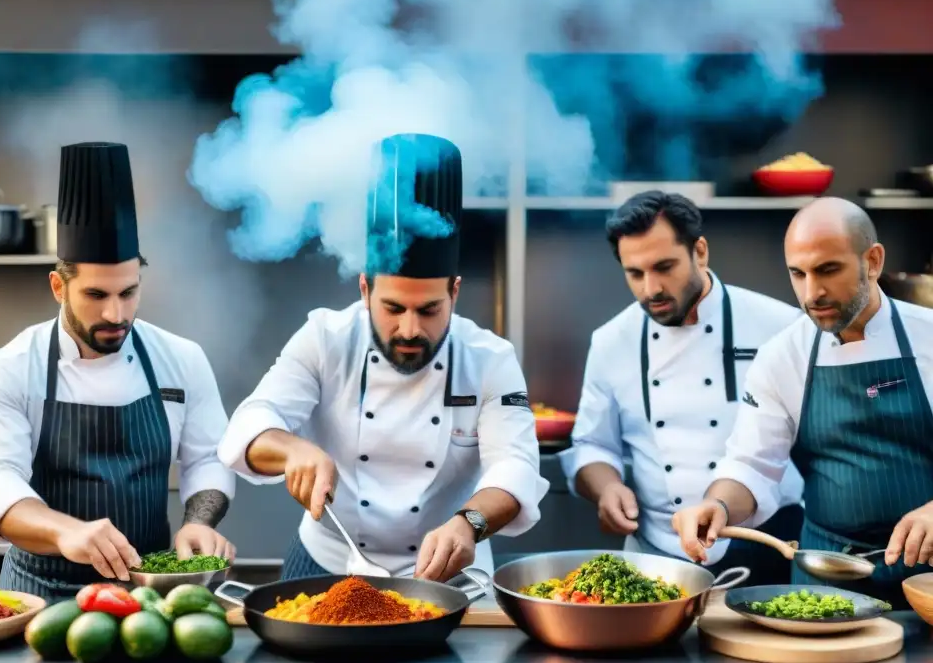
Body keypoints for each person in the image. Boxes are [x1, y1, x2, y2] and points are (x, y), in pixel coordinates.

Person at [217, 133, 548, 582]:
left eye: (429, 310)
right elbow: (250, 422)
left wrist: (467, 524)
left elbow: (516, 465)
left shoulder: (489, 359)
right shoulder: (325, 338)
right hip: (326, 563)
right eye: (393, 308)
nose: (410, 329)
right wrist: (293, 451)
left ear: (454, 291)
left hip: (449, 573)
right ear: (365, 289)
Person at [0, 142, 237, 599]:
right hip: (39, 593)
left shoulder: (181, 358)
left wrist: (198, 522)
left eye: (128, 293)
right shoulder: (10, 367)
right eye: (96, 296)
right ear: (58, 286)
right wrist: (64, 531)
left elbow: (209, 457)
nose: (116, 314)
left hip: (147, 593)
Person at [672, 196, 933, 609]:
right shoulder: (783, 356)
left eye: (828, 270)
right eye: (798, 274)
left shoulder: (928, 337)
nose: (813, 292)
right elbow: (751, 465)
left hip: (928, 581)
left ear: (873, 261)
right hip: (825, 579)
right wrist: (717, 504)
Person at [558, 190, 805, 584]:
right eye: (634, 273)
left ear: (700, 251)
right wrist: (606, 488)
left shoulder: (781, 326)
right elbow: (592, 444)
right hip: (657, 557)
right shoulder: (611, 341)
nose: (650, 288)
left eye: (664, 267)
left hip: (768, 544)